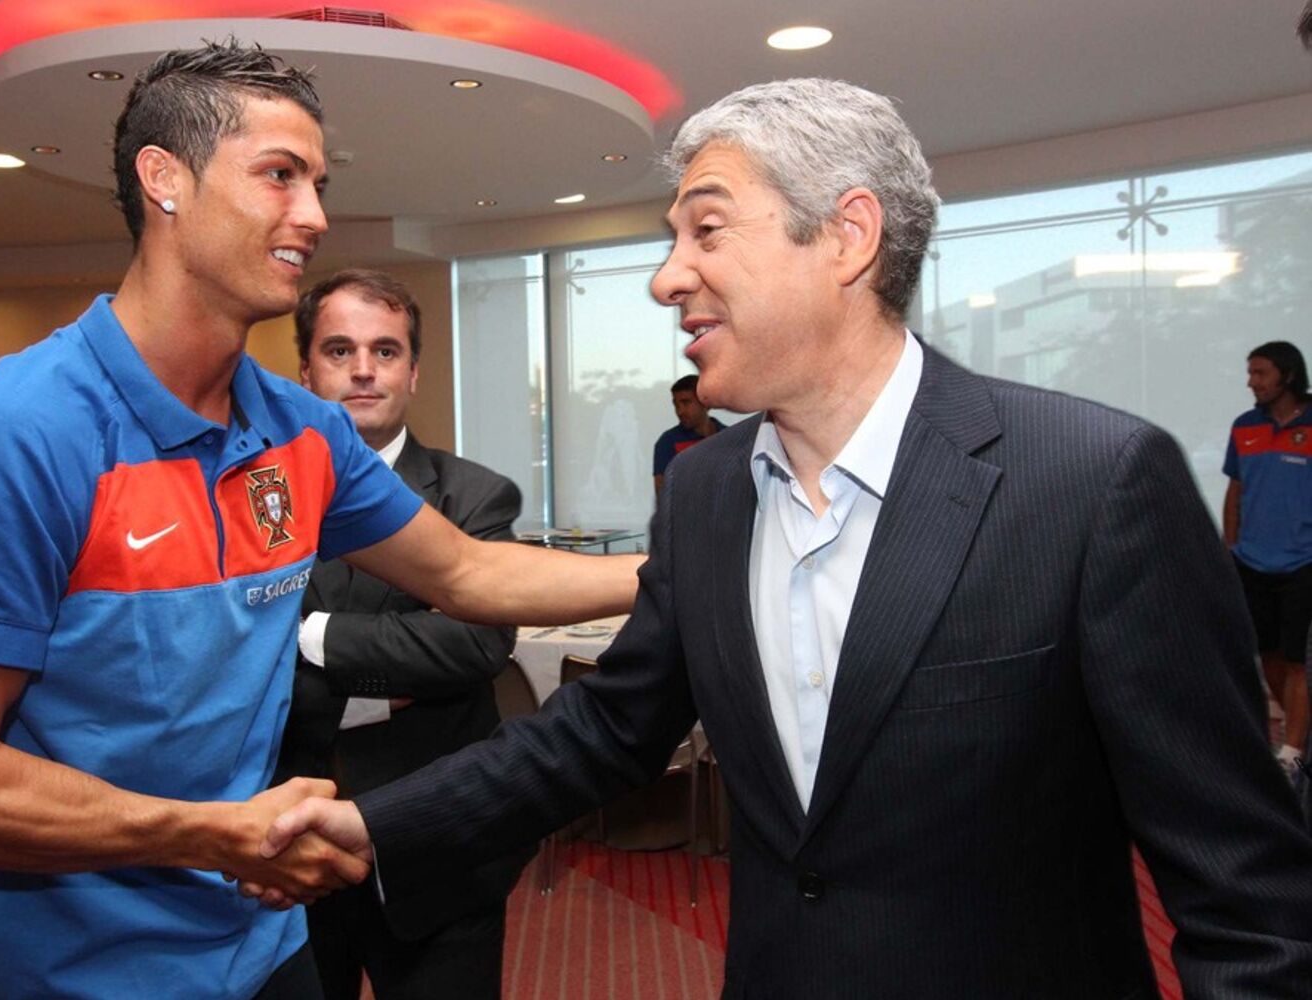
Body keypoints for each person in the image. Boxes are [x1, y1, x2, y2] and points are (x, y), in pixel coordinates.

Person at [259, 78, 1312, 997]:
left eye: (706, 231)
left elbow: (1243, 889)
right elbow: (603, 732)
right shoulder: (708, 491)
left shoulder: (1090, 481)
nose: (667, 278)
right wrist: (377, 823)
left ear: (848, 236)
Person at [0, 43, 637, 1000]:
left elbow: (469, 573)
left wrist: (679, 564)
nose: (314, 216)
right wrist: (209, 834)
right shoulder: (12, 437)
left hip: (262, 945)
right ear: (165, 179)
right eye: (279, 175)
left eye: (318, 184)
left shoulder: (300, 430)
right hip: (86, 972)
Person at [276, 269, 530, 1000]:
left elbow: (476, 645)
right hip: (284, 850)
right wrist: (379, 691)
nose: (363, 369)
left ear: (413, 373)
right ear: (305, 371)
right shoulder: (253, 496)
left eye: (385, 351)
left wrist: (309, 636)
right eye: (339, 350)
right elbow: (223, 650)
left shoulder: (473, 496)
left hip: (436, 851)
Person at [1224, 340, 1312, 778]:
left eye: (1260, 373)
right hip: (1252, 561)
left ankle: (1292, 752)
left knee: (1298, 660)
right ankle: (1301, 730)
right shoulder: (1244, 427)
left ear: (1288, 375)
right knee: (1269, 655)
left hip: (1304, 562)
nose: (1251, 382)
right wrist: (1230, 547)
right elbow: (1235, 491)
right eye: (1250, 372)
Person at [652, 373, 723, 494]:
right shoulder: (667, 442)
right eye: (676, 405)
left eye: (686, 403)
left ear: (705, 403)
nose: (680, 411)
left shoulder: (730, 437)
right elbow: (662, 494)